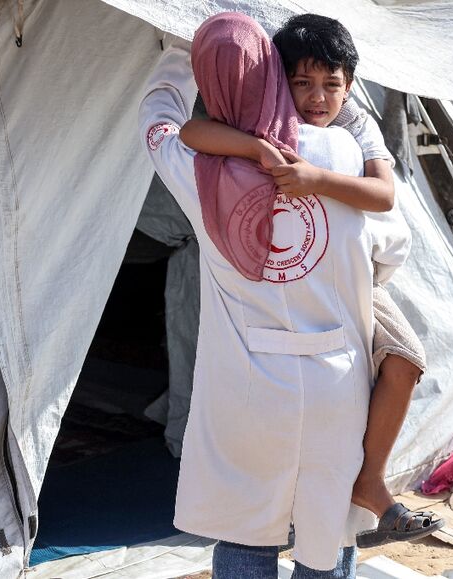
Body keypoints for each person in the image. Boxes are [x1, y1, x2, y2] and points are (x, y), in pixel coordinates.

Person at [139, 12, 413, 578]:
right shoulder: (343, 160)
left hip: (247, 389)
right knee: (328, 537)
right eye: (303, 82)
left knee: (246, 532)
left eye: (328, 84)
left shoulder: (199, 171)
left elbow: (161, 122)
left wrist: (176, 45)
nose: (317, 96)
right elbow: (394, 242)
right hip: (336, 381)